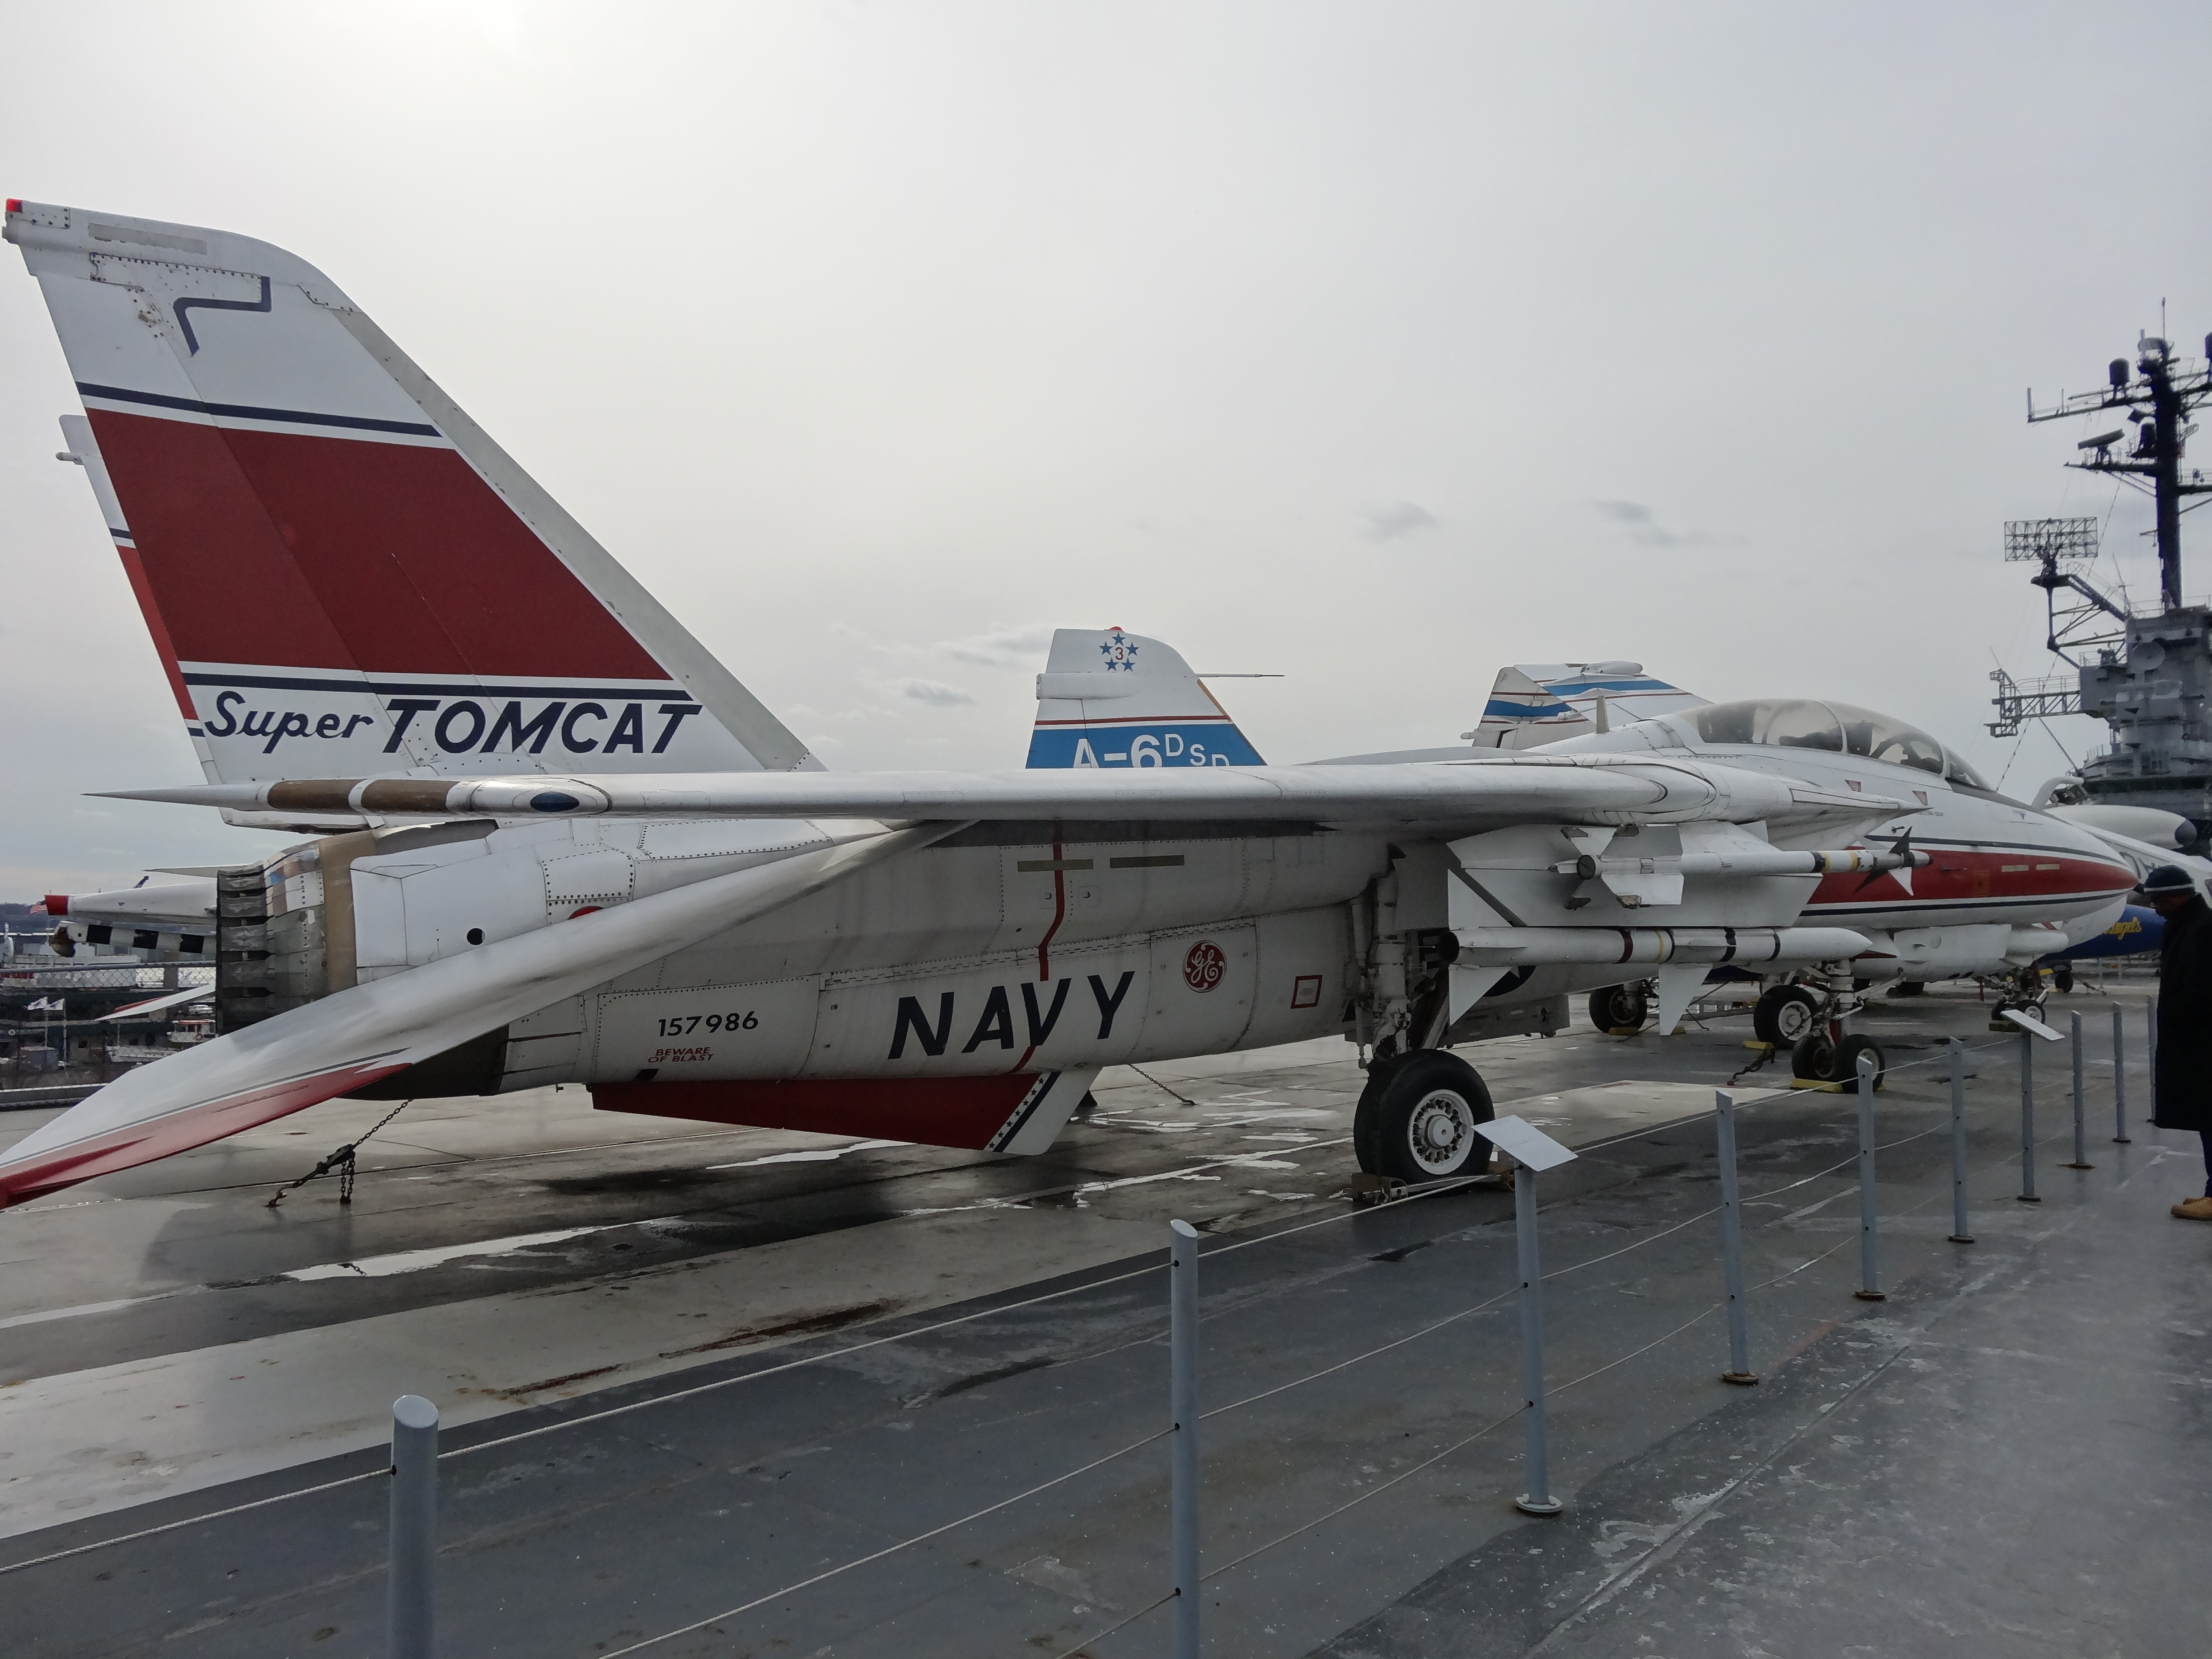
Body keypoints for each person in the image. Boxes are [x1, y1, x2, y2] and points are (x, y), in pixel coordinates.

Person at [2142, 864, 2212, 1218]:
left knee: (2211, 1117)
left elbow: (2202, 990)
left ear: (2174, 897)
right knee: (2206, 1118)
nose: (2154, 908)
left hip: (2203, 1043)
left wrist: (2179, 1015)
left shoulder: (2203, 930)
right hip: (2195, 1041)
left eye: (2157, 901)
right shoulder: (2189, 925)